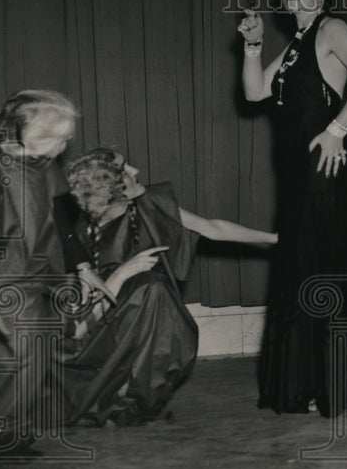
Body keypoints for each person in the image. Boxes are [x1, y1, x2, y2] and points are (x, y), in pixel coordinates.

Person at [238, 0, 347, 416]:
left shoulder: (332, 28)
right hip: (298, 175)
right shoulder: (296, 43)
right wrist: (254, 44)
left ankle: (339, 390)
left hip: (323, 172)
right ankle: (304, 387)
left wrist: (338, 129)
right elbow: (255, 91)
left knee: (323, 268)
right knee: (302, 270)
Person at [59, 148, 277, 426]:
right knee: (149, 286)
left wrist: (274, 239)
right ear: (111, 191)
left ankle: (138, 387)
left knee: (152, 286)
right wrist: (122, 274)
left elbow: (212, 228)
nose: (136, 171)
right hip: (100, 341)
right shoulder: (79, 238)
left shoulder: (150, 201)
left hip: (149, 325)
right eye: (126, 170)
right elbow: (80, 327)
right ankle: (116, 386)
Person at [0, 90, 79, 456]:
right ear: (22, 131)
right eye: (56, 138)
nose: (63, 147)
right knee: (7, 357)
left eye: (66, 139)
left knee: (35, 355)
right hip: (5, 277)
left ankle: (13, 428)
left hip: (39, 278)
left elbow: (62, 221)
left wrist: (80, 266)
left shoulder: (44, 168)